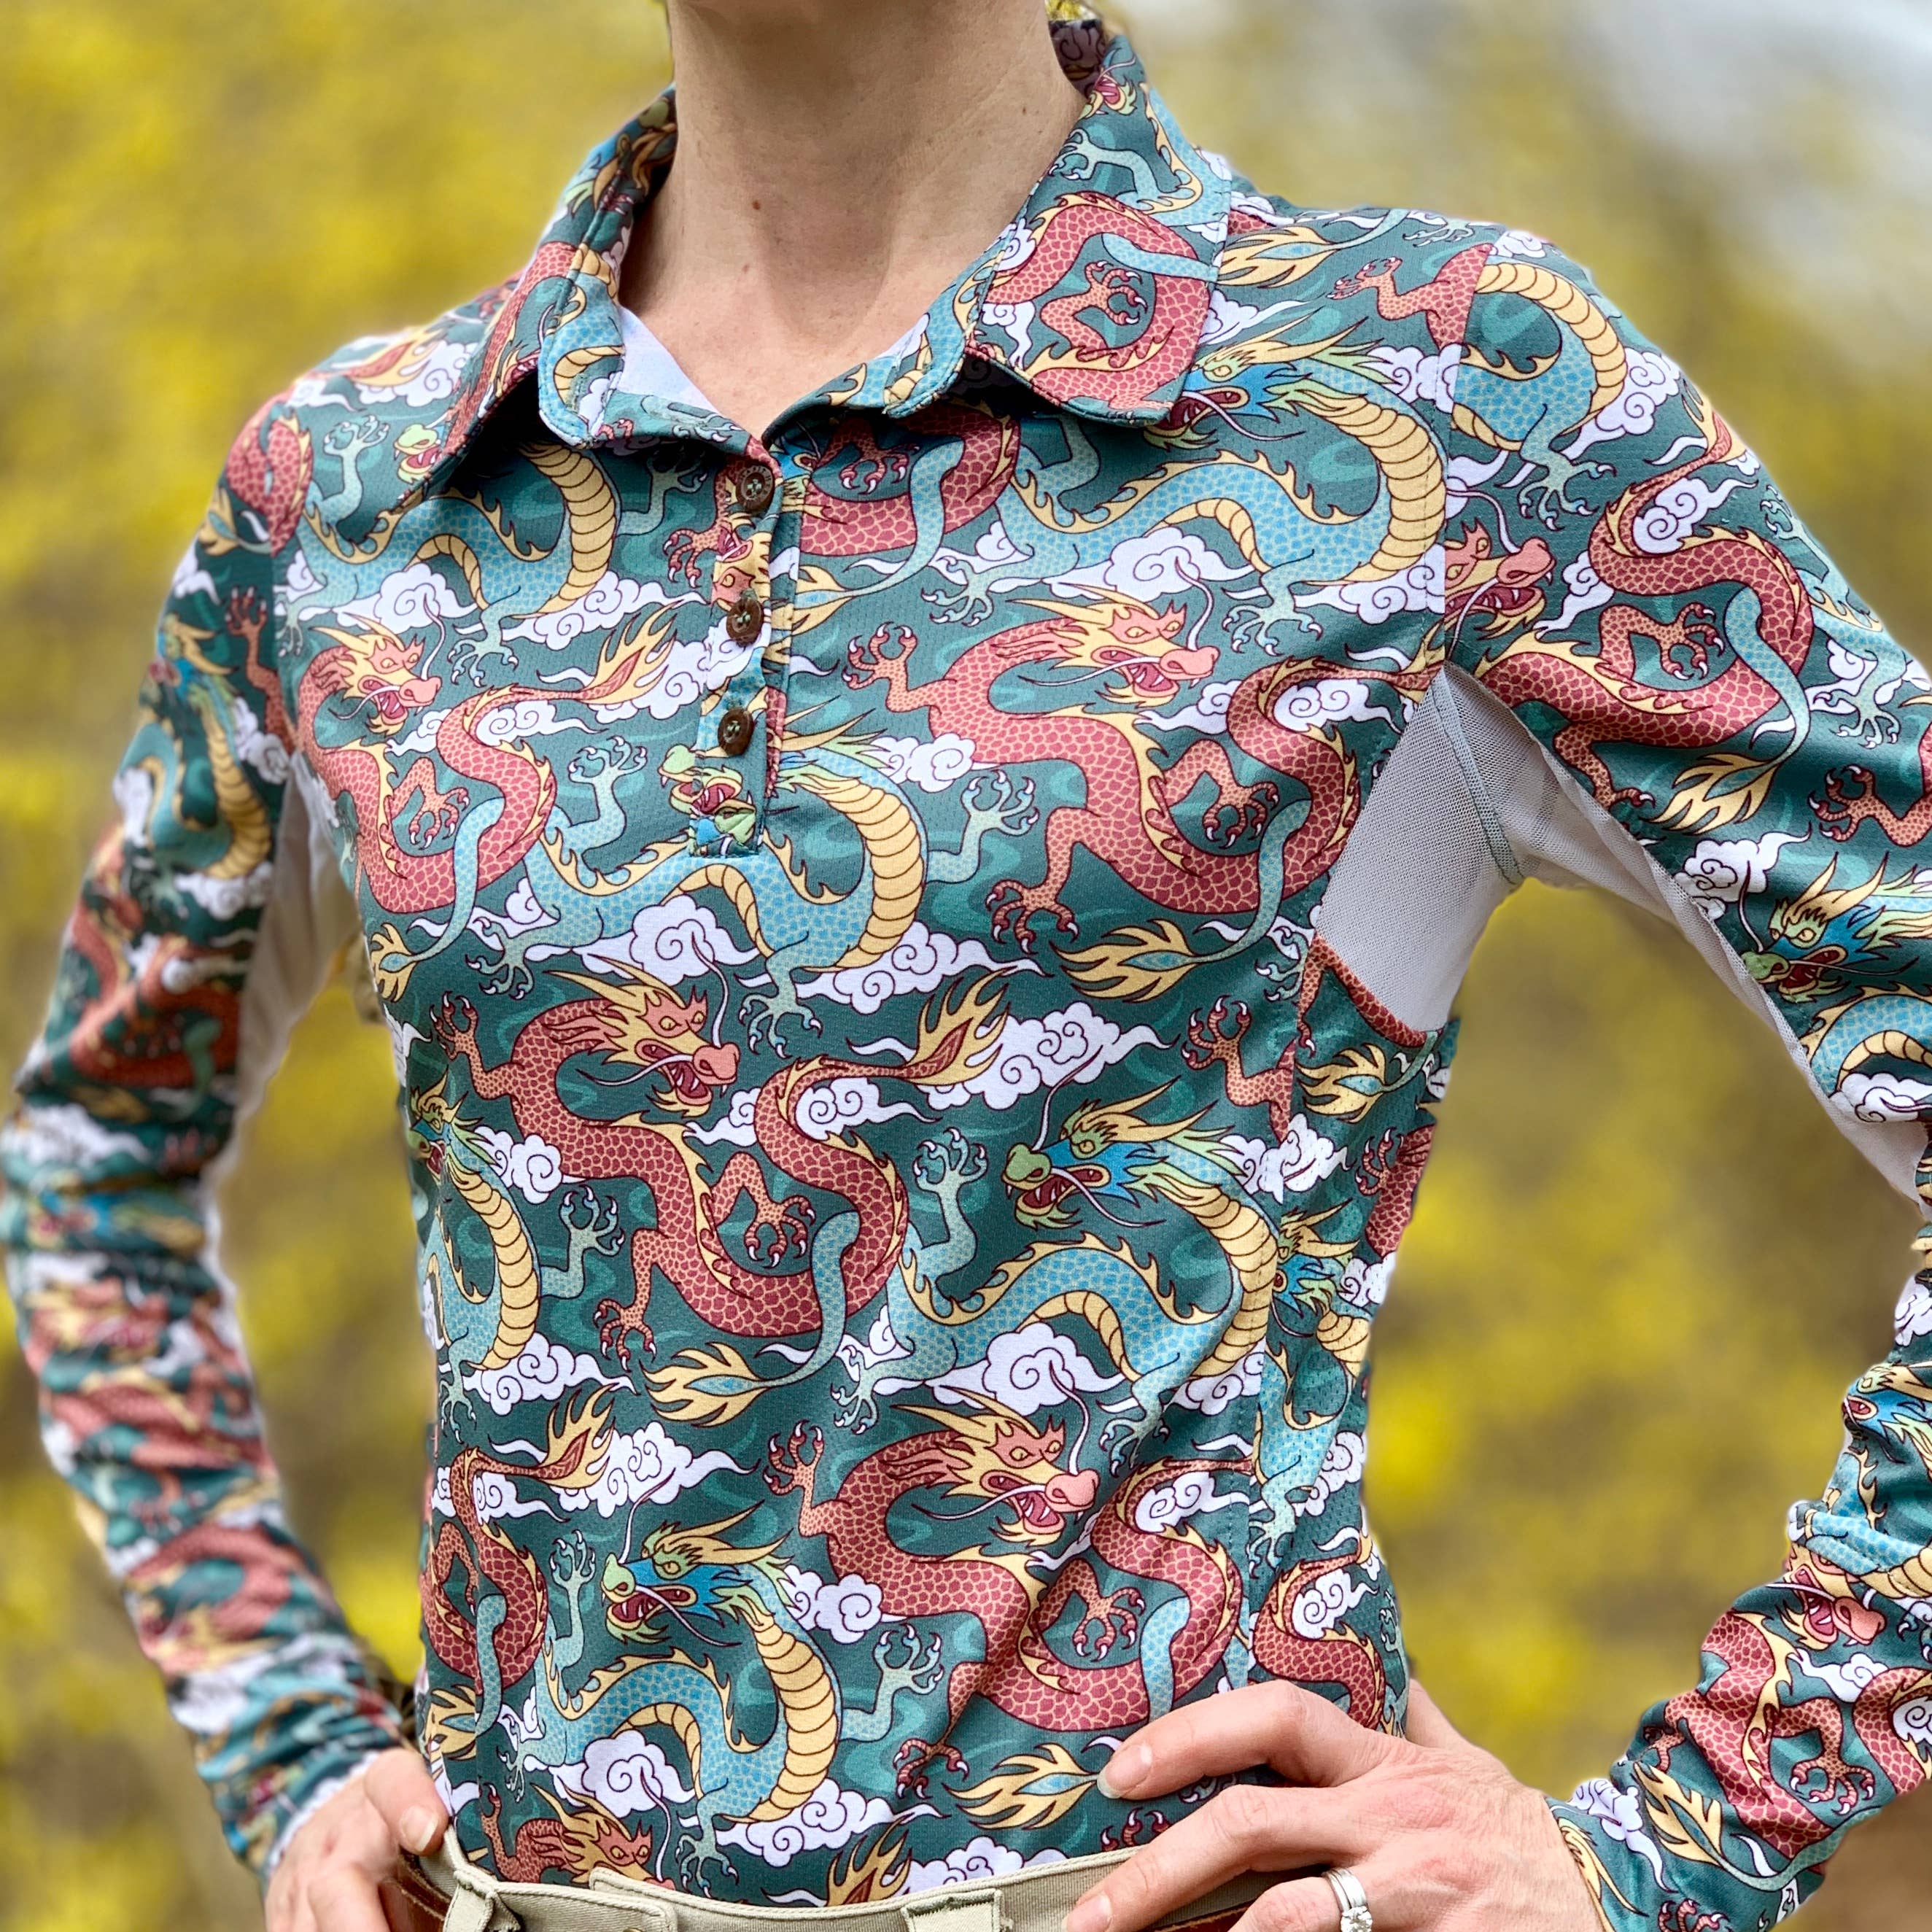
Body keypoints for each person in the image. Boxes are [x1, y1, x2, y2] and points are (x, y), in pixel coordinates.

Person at [6, 0, 1931, 1927]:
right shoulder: (353, 492)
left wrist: (1666, 1851)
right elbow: (96, 1160)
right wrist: (286, 1731)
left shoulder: (1443, 397)